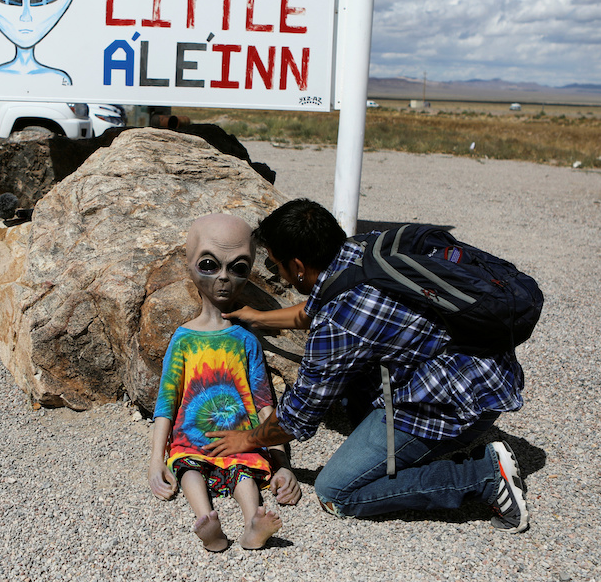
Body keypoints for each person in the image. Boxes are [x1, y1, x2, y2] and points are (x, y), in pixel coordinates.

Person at [207, 198, 529, 533]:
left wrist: (246, 440)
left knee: (337, 491)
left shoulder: (340, 323)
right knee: (353, 395)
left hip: (458, 404)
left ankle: (483, 477)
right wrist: (259, 317)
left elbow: (298, 416)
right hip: (485, 370)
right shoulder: (359, 249)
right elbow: (315, 308)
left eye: (277, 267)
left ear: (298, 265)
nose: (281, 276)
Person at [148, 213, 302, 552]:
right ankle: (207, 522)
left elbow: (264, 403)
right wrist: (156, 459)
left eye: (238, 268)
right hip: (192, 436)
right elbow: (167, 399)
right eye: (209, 265)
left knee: (244, 472)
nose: (223, 278)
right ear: (189, 265)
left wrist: (282, 464)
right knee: (188, 467)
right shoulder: (184, 338)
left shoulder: (245, 339)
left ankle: (253, 523)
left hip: (242, 437)